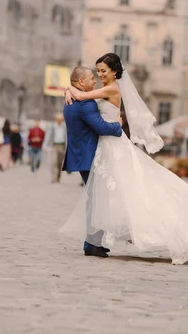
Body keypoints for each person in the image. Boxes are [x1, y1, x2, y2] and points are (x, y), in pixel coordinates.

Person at [60, 53, 188, 266]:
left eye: (103, 71)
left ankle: (106, 237)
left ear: (114, 72)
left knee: (131, 190)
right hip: (107, 148)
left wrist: (71, 89)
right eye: (97, 71)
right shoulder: (100, 90)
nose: (99, 75)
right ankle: (97, 239)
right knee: (113, 193)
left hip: (114, 145)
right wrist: (69, 89)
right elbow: (84, 96)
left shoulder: (112, 88)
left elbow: (83, 97)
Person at [62, 66, 123, 258]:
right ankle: (91, 243)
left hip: (80, 154)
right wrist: (118, 126)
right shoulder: (85, 104)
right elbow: (102, 127)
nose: (95, 80)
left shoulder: (70, 100)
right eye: (91, 78)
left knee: (96, 198)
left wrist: (67, 89)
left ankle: (94, 240)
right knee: (96, 199)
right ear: (81, 82)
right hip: (89, 155)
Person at [46, 114, 67, 183]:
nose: (59, 121)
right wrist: (47, 145)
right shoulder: (53, 126)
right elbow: (49, 136)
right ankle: (54, 178)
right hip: (54, 146)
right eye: (58, 119)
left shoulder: (65, 127)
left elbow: (67, 137)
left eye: (60, 119)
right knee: (54, 162)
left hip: (62, 146)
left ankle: (58, 176)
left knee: (59, 163)